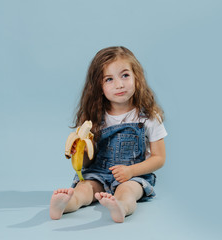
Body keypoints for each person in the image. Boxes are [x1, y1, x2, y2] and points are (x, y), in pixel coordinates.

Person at [50, 46, 167, 223]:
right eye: (109, 79)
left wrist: (131, 171)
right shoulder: (93, 119)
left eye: (125, 75)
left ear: (137, 77)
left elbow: (159, 158)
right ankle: (65, 204)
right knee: (84, 190)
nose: (119, 84)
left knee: (127, 191)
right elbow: (90, 161)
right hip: (98, 173)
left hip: (133, 176)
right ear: (99, 86)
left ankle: (121, 207)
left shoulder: (148, 116)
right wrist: (80, 155)